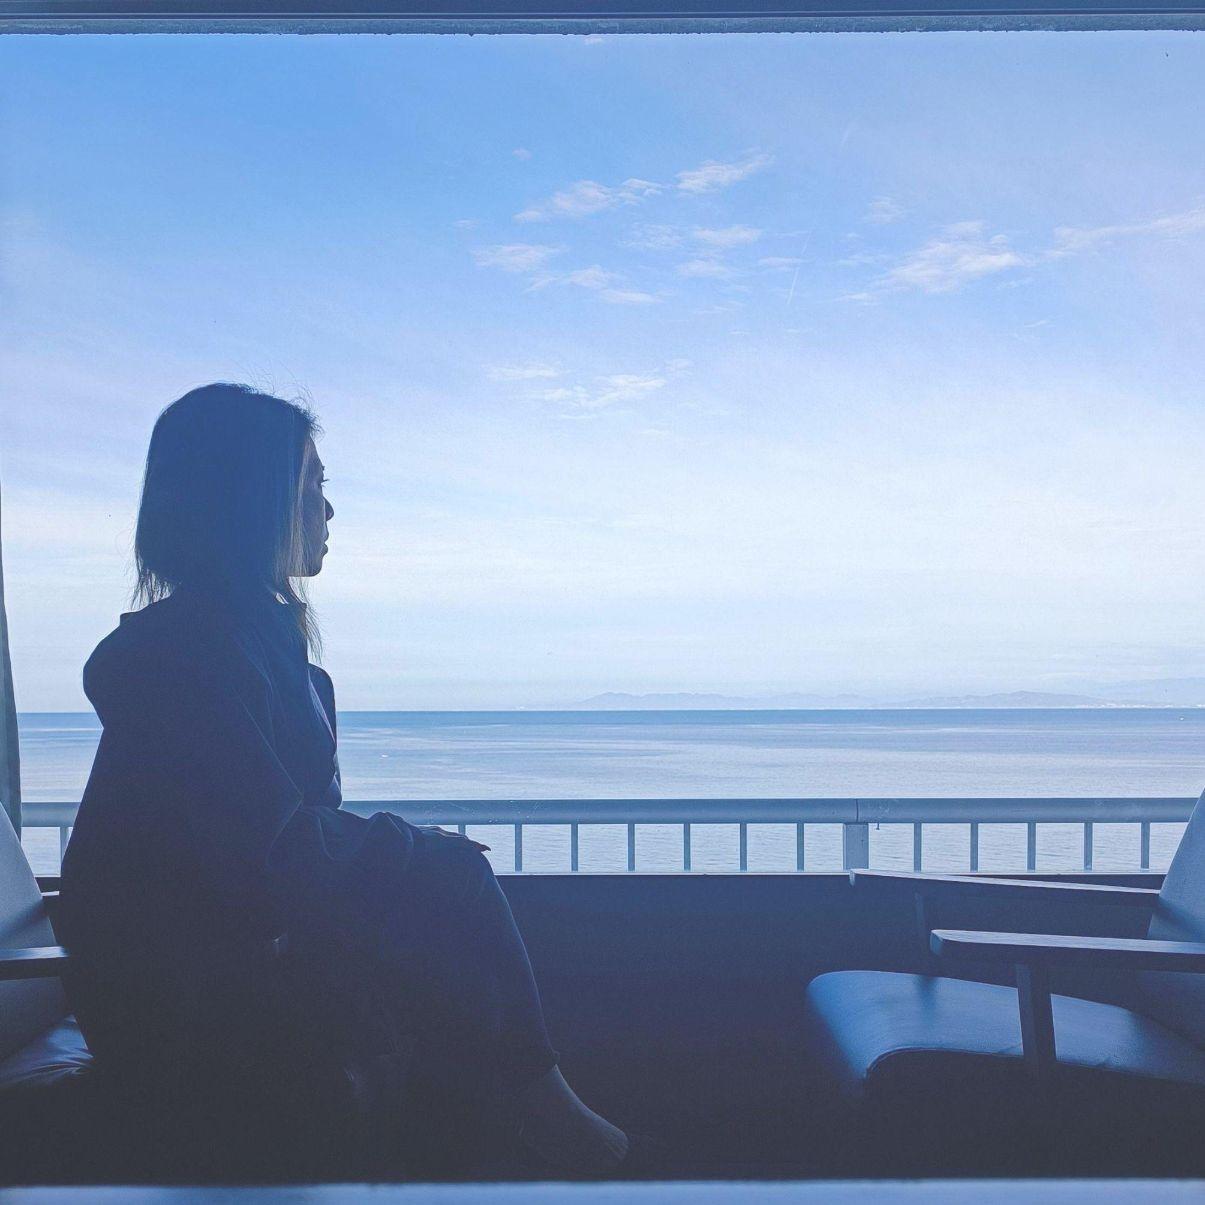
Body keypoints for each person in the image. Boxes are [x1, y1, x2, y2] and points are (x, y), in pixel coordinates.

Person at [59, 383, 631, 1177]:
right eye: (309, 486)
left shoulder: (251, 649)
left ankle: (534, 1125)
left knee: (434, 919)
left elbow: (277, 845)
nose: (326, 510)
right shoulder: (181, 661)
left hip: (233, 959)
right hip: (178, 994)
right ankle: (555, 1121)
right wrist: (417, 853)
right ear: (249, 501)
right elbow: (268, 849)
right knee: (454, 881)